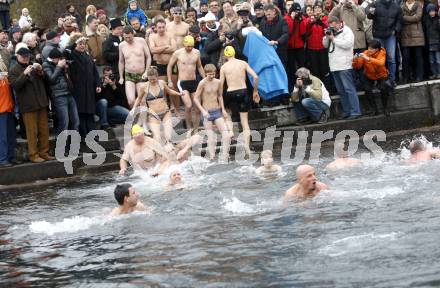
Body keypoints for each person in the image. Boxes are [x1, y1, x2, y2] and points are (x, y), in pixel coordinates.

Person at [9, 47, 55, 163]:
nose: (26, 58)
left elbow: (46, 80)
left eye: (27, 56)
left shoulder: (34, 65)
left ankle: (44, 152)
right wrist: (24, 74)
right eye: (23, 56)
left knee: (44, 130)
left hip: (41, 102)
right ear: (17, 56)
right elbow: (15, 86)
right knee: (32, 132)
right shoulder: (14, 69)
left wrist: (40, 70)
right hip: (28, 106)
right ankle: (33, 155)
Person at [220, 46, 259, 157]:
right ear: (234, 53)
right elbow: (255, 77)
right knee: (244, 122)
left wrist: (220, 98)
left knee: (227, 114)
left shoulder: (224, 67)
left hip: (230, 93)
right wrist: (255, 91)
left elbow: (221, 85)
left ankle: (231, 131)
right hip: (243, 92)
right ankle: (247, 147)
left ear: (225, 55)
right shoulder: (243, 63)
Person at [323, 16, 361, 120]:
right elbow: (325, 46)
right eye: (330, 25)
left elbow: (348, 44)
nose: (332, 27)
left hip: (344, 65)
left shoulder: (346, 31)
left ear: (339, 23)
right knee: (341, 90)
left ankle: (355, 111)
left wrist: (334, 39)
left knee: (349, 89)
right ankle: (346, 111)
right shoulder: (331, 33)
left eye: (333, 24)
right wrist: (327, 36)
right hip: (334, 66)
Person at [132, 66, 183, 143]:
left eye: (154, 79)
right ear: (148, 78)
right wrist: (133, 108)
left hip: (165, 112)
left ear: (157, 77)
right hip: (153, 115)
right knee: (157, 139)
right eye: (150, 79)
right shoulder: (144, 86)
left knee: (168, 138)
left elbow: (170, 91)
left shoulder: (162, 83)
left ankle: (168, 151)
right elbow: (139, 98)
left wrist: (179, 94)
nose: (152, 81)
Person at [193, 64, 232, 160]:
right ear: (205, 74)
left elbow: (220, 96)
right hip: (207, 112)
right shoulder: (202, 83)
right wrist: (202, 111)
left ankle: (224, 155)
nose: (212, 76)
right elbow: (195, 98)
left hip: (217, 111)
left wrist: (223, 109)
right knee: (211, 137)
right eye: (210, 74)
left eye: (213, 74)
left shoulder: (218, 82)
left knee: (226, 135)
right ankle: (212, 156)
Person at [167, 35, 206, 130]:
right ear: (184, 44)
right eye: (188, 46)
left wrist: (205, 78)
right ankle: (189, 128)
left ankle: (196, 129)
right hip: (182, 82)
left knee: (197, 107)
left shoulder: (196, 52)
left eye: (191, 46)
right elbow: (169, 66)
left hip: (194, 82)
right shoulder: (177, 53)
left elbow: (199, 66)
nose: (190, 48)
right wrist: (169, 80)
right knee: (188, 105)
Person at [67, 35, 101, 137]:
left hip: (89, 89)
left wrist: (98, 84)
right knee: (81, 114)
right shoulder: (71, 55)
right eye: (80, 43)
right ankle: (83, 136)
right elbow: (66, 51)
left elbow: (95, 72)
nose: (83, 46)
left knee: (90, 113)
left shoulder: (88, 55)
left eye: (84, 44)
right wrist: (74, 42)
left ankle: (92, 136)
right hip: (78, 90)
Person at [43, 48, 80, 135]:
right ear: (53, 58)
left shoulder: (60, 65)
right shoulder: (46, 65)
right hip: (58, 96)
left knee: (76, 121)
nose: (61, 61)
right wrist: (59, 67)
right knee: (64, 123)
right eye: (59, 59)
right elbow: (51, 79)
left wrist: (66, 69)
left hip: (69, 94)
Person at [352, 39, 393, 116]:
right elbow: (358, 66)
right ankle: (374, 109)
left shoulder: (382, 52)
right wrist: (355, 60)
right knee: (367, 89)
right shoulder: (365, 53)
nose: (369, 50)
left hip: (381, 75)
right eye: (368, 48)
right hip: (369, 75)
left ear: (377, 49)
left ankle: (386, 108)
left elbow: (381, 63)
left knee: (384, 88)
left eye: (371, 48)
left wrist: (368, 58)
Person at [366, 0, 402, 84]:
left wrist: (395, 30)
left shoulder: (396, 6)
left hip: (390, 35)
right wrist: (371, 12)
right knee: (378, 58)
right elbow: (369, 15)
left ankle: (392, 79)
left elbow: (400, 20)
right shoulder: (375, 4)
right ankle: (380, 79)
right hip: (378, 34)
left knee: (391, 58)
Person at [118, 26, 152, 108]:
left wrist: (146, 71)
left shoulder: (141, 41)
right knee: (131, 101)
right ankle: (134, 118)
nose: (128, 39)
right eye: (125, 38)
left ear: (133, 34)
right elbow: (121, 61)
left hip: (141, 73)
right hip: (129, 74)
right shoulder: (122, 45)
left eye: (129, 37)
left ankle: (143, 120)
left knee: (142, 100)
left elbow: (148, 57)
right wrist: (121, 77)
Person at [400, 0, 424, 83]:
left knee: (418, 57)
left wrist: (405, 17)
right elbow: (401, 18)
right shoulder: (402, 6)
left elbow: (418, 17)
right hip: (405, 35)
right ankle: (406, 77)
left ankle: (419, 76)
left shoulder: (418, 4)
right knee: (406, 57)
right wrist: (412, 18)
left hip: (417, 34)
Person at [259, 4, 290, 69]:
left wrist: (277, 42)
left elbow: (286, 34)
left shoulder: (282, 21)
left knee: (281, 70)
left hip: (280, 52)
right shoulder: (263, 22)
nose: (267, 17)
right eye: (266, 15)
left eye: (269, 14)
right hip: (268, 53)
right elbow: (260, 34)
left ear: (274, 11)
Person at [285, 2, 307, 91]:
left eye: (298, 11)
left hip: (299, 46)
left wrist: (300, 21)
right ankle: (294, 86)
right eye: (295, 11)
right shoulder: (286, 18)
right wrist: (292, 19)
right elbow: (288, 32)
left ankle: (304, 84)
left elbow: (303, 32)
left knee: (302, 66)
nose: (297, 13)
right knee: (291, 67)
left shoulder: (300, 18)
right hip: (290, 47)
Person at [0, 52, 16, 167]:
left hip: (9, 108)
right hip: (1, 110)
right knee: (3, 137)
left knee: (11, 136)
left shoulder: (4, 75)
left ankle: (10, 157)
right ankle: (3, 159)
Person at [149, 18, 177, 83]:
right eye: (159, 27)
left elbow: (174, 48)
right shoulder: (152, 36)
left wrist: (158, 50)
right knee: (162, 86)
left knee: (173, 87)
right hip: (159, 65)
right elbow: (152, 50)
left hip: (171, 63)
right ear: (155, 28)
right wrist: (165, 46)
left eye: (163, 27)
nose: (162, 29)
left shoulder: (170, 35)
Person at [424, 4, 440, 80]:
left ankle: (439, 73)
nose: (432, 12)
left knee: (438, 60)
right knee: (431, 61)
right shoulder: (426, 20)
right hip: (429, 43)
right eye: (430, 11)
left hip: (437, 43)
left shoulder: (438, 20)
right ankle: (434, 73)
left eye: (433, 11)